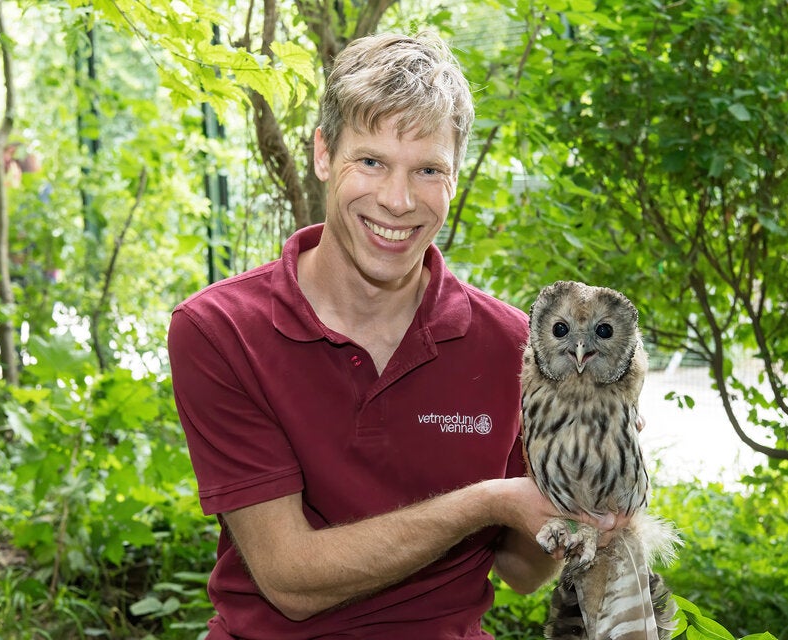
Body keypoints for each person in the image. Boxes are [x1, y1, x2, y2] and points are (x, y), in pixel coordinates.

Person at [167, 31, 622, 639]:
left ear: (454, 178)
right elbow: (290, 581)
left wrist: (582, 490)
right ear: (323, 153)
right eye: (372, 161)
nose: (398, 200)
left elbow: (521, 569)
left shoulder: (518, 346)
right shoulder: (222, 330)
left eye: (428, 169)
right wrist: (487, 500)